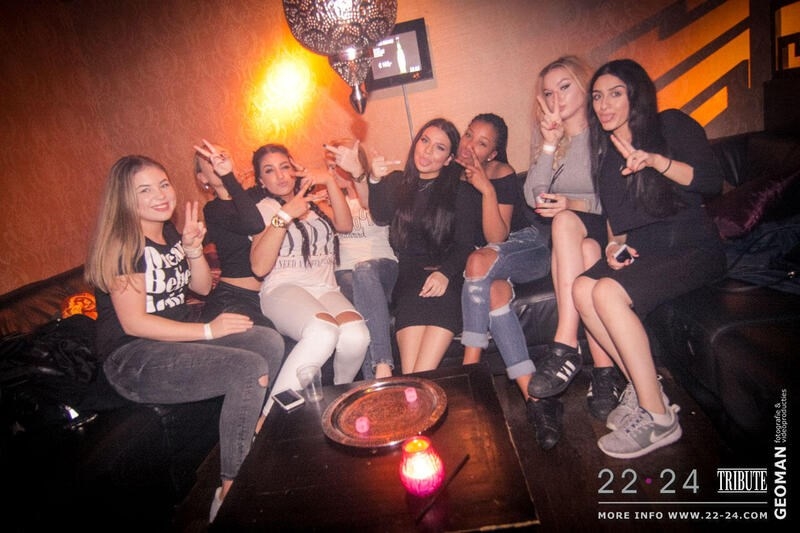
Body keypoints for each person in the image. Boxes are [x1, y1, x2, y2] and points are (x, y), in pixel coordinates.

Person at [84, 155, 285, 523]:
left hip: (172, 342)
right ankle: (230, 488)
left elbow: (203, 287)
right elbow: (134, 323)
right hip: (132, 358)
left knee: (267, 341)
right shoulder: (123, 244)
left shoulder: (169, 233)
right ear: (124, 198)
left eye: (163, 184)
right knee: (247, 368)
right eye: (145, 190)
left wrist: (192, 249)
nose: (160, 195)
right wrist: (208, 330)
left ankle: (251, 430)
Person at [574, 58, 725, 458]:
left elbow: (711, 182)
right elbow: (616, 224)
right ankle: (647, 391)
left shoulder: (670, 124)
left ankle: (659, 420)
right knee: (582, 287)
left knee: (605, 292)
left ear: (635, 95)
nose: (604, 105)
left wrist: (656, 161)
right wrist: (613, 247)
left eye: (615, 94)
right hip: (647, 250)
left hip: (692, 245)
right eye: (598, 97)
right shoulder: (607, 157)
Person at [522, 56, 623, 423]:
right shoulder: (555, 140)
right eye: (548, 93)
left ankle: (565, 345)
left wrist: (572, 204)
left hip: (605, 225)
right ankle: (604, 371)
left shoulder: (606, 136)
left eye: (564, 87)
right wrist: (549, 145)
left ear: (584, 87)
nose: (557, 98)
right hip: (577, 240)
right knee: (585, 249)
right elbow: (534, 197)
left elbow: (619, 200)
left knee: (569, 223)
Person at [455, 113, 560, 449]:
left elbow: (497, 236)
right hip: (493, 267)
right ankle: (536, 401)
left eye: (481, 143)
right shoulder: (451, 178)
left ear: (493, 154)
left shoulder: (502, 174)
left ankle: (469, 375)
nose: (469, 145)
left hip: (526, 249)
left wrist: (486, 189)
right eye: (468, 135)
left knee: (478, 261)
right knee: (495, 295)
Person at [249, 143, 370, 414]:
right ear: (261, 181)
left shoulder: (314, 204)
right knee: (323, 332)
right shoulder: (262, 210)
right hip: (283, 288)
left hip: (324, 288)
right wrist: (284, 215)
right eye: (269, 170)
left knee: (356, 335)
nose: (280, 175)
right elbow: (259, 267)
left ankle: (339, 403)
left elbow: (345, 225)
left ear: (294, 170)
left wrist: (328, 179)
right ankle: (269, 420)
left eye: (285, 167)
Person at [362, 117, 479, 374]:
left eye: (439, 147)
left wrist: (445, 273)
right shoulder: (397, 182)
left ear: (448, 159)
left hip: (446, 280)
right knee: (411, 374)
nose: (427, 151)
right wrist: (374, 179)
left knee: (423, 373)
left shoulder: (461, 192)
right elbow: (381, 216)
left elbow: (465, 245)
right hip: (409, 280)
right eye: (425, 141)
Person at [325, 138, 398, 380]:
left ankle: (382, 363)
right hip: (345, 275)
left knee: (363, 270)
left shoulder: (375, 189)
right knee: (355, 291)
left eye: (339, 163)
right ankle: (377, 378)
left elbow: (373, 203)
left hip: (382, 267)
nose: (334, 171)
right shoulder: (327, 203)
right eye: (331, 166)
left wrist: (362, 177)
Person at [192, 140, 274, 328]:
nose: (218, 162)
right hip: (234, 298)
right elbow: (254, 225)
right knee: (274, 340)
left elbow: (283, 186)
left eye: (222, 156)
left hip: (269, 293)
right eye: (211, 161)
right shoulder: (213, 210)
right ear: (203, 178)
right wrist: (228, 177)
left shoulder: (254, 197)